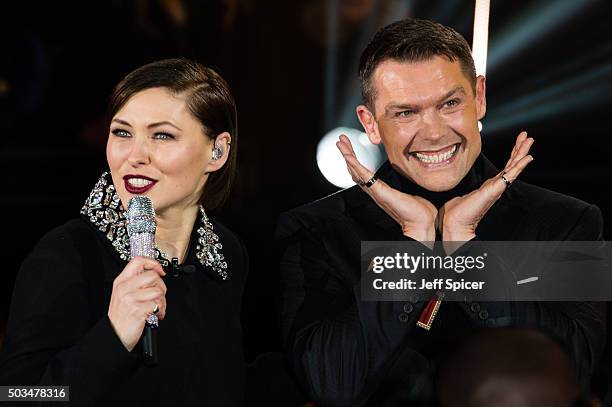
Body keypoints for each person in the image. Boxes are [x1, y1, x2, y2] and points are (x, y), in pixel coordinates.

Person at [276, 18, 605, 406]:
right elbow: (330, 384)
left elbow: (574, 372)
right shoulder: (316, 230)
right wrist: (415, 244)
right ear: (371, 123)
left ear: (479, 97)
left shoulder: (570, 222)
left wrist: (464, 245)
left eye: (450, 104)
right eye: (405, 113)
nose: (433, 133)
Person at [0, 58, 247, 406]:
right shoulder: (66, 254)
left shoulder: (225, 254)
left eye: (162, 135)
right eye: (122, 132)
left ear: (217, 151)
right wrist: (112, 336)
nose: (135, 155)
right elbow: (18, 397)